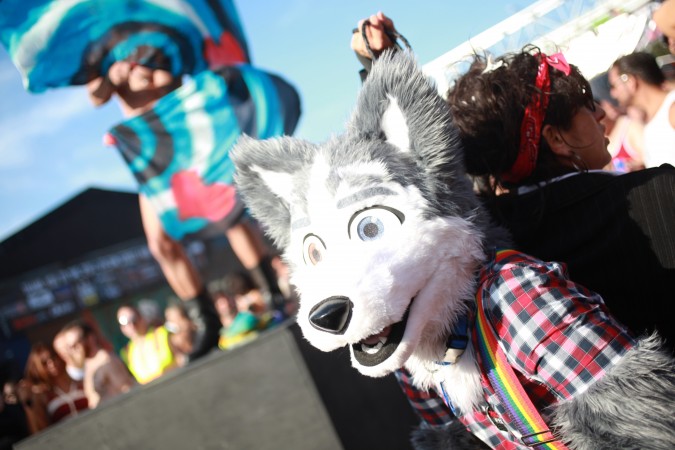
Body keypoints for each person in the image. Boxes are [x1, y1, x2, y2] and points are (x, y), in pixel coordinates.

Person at [351, 15, 675, 347]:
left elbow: (415, 166)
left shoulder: (489, 245)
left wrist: (379, 64)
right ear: (556, 139)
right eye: (586, 105)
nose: (601, 114)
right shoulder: (659, 193)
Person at [87, 55, 287, 328]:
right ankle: (205, 320)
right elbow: (95, 97)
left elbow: (187, 71)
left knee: (230, 217)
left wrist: (153, 71)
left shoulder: (157, 33)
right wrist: (113, 77)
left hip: (190, 144)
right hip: (154, 161)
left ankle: (272, 294)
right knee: (160, 243)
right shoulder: (104, 50)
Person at [608, 51, 675, 167]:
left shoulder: (672, 110)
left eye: (613, 86)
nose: (612, 94)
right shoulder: (649, 122)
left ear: (630, 81)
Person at [60, 320, 135, 408]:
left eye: (76, 344)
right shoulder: (88, 365)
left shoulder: (107, 361)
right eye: (69, 347)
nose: (73, 350)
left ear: (90, 338)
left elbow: (127, 391)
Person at [20, 343, 88, 432]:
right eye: (44, 363)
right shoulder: (43, 395)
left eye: (53, 357)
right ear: (38, 367)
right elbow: (40, 429)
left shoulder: (80, 382)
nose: (51, 363)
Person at [117, 304, 177, 384]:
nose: (131, 325)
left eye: (133, 319)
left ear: (141, 318)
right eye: (124, 322)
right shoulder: (126, 352)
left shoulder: (163, 334)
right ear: (121, 328)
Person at [163, 301, 195, 367]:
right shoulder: (171, 339)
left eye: (171, 318)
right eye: (167, 318)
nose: (169, 322)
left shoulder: (196, 331)